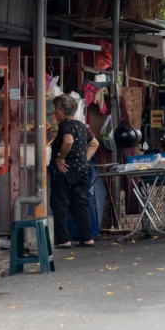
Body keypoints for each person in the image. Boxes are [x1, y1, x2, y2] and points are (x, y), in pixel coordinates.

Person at [49, 93, 99, 249]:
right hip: (82, 171)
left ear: (62, 111)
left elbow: (68, 140)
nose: (54, 113)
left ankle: (64, 240)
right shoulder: (82, 126)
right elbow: (94, 144)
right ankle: (87, 238)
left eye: (55, 109)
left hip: (65, 170)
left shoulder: (65, 124)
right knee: (80, 203)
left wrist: (61, 157)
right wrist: (84, 160)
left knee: (59, 203)